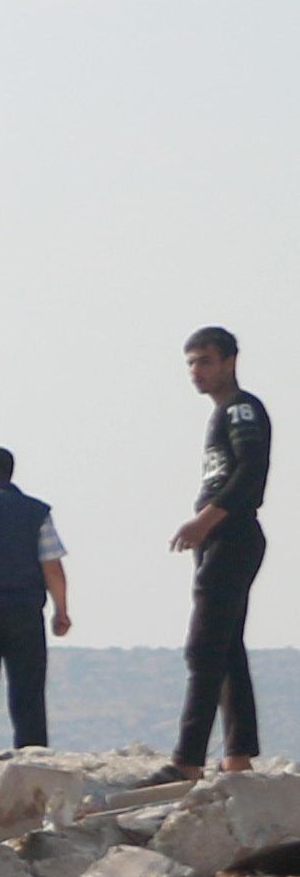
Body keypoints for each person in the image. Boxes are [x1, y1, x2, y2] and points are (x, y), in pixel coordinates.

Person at [173, 325, 268, 775]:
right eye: (191, 362)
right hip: (219, 540)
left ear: (230, 361)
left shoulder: (241, 410)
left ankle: (188, 761)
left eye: (205, 361)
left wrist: (204, 520)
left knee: (204, 648)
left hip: (233, 536)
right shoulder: (222, 414)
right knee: (227, 648)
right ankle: (238, 755)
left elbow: (250, 474)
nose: (196, 371)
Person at [0, 442, 66, 751]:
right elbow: (52, 566)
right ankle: (33, 753)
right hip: (24, 610)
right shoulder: (36, 512)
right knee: (28, 692)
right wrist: (62, 610)